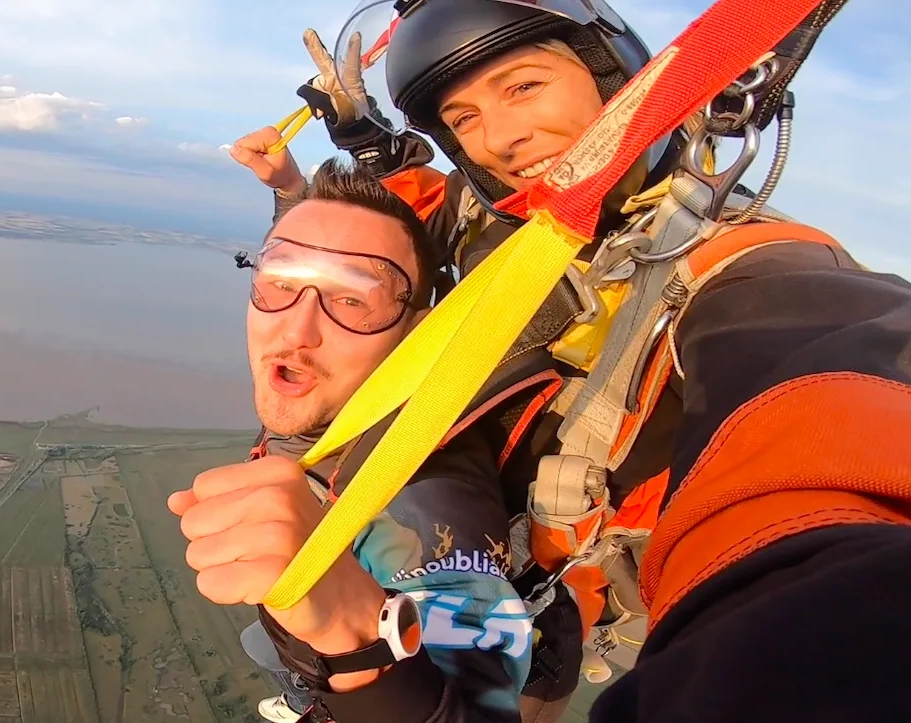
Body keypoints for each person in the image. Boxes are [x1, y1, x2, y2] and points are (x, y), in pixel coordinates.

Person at [217, 1, 911, 722]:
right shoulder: (514, 217)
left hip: (546, 602)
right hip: (496, 554)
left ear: (616, 80)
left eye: (523, 87)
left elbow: (828, 450)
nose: (502, 139)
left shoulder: (751, 276)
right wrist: (330, 163)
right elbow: (403, 229)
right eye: (463, 119)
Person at [168, 157, 584, 723]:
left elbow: (480, 709)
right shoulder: (336, 391)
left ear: (414, 332)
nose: (294, 330)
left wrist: (356, 636)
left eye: (352, 301)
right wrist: (293, 189)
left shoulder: (424, 505)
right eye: (281, 282)